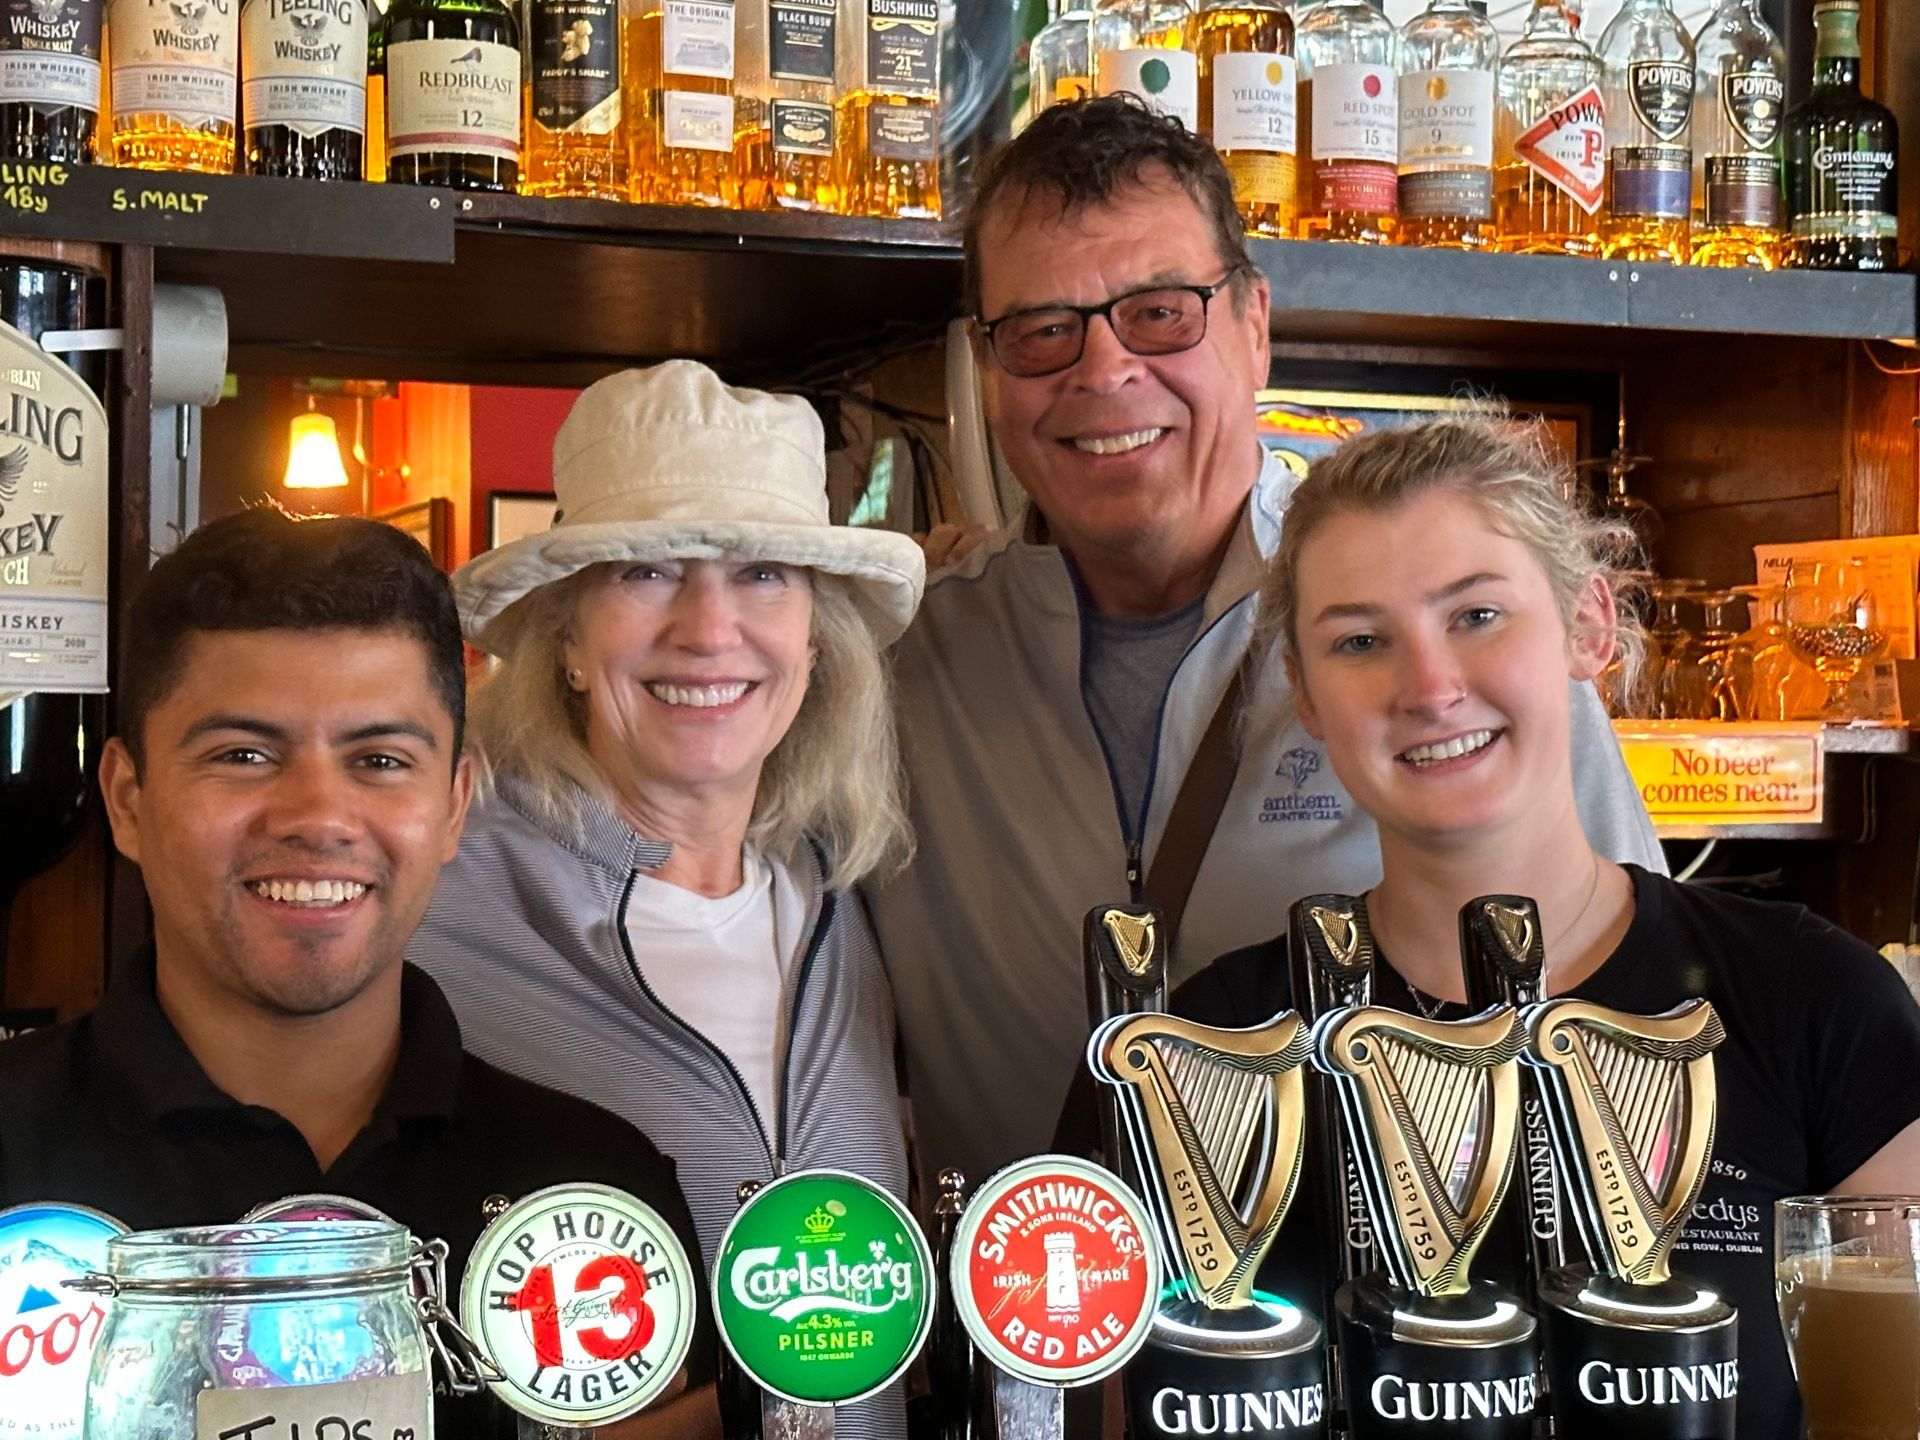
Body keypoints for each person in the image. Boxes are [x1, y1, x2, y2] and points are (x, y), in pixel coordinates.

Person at [865, 94, 1667, 1187]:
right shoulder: (906, 660)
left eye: (1160, 312)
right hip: (1043, 1328)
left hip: (1388, 1320)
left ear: (1253, 325)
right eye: (1044, 330)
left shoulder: (1433, 630)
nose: (1102, 373)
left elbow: (1631, 986)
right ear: (987, 371)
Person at [1168, 412, 1920, 1440]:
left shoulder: (1812, 1002)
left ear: (1588, 626)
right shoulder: (1216, 1046)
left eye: (1476, 615)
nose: (1430, 687)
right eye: (1359, 641)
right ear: (1304, 694)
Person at [0, 506, 717, 1439]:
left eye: (379, 759)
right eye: (244, 755)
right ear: (129, 800)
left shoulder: (593, 1195)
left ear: (455, 803)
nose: (318, 814)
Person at [409, 360, 925, 1440]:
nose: (708, 628)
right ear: (565, 638)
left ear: (816, 639)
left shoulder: (849, 898)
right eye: (646, 573)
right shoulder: (438, 900)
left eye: (763, 576)